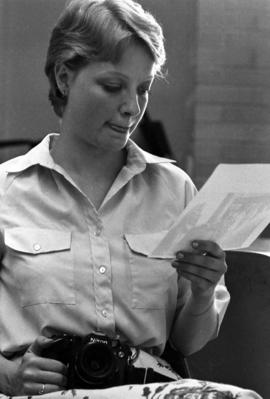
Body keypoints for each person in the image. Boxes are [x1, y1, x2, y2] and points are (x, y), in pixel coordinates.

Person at [0, 0, 230, 396]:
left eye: (143, 89)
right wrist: (9, 376)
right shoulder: (6, 191)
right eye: (112, 86)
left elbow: (189, 342)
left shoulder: (176, 190)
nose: (131, 107)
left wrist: (203, 294)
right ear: (64, 77)